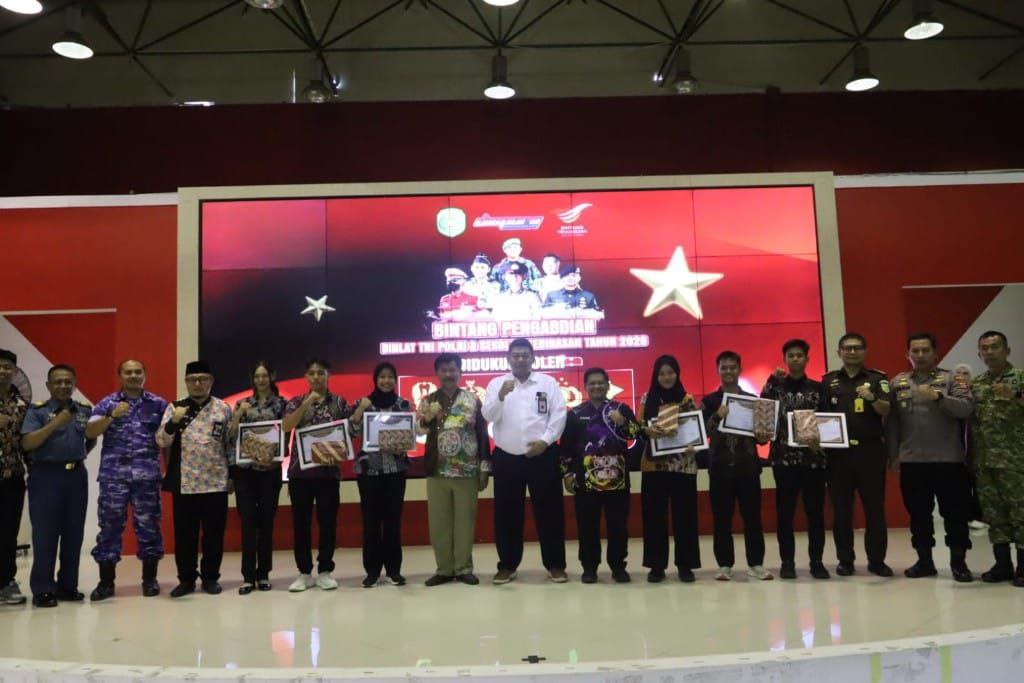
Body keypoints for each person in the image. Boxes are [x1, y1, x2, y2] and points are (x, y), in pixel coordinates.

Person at [888, 332, 975, 582]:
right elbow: (892, 423)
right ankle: (924, 562)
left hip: (949, 460)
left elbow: (966, 408)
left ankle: (958, 563)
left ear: (935, 353)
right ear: (908, 355)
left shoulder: (953, 379)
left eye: (925, 350)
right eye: (915, 351)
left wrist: (939, 397)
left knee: (955, 514)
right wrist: (893, 454)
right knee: (918, 515)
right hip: (912, 461)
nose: (920, 355)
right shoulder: (898, 382)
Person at [482, 338, 567, 584]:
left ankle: (555, 564)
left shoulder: (547, 383)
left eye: (524, 355)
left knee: (550, 512)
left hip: (543, 455)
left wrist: (546, 441)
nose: (520, 359)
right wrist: (500, 396)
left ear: (533, 358)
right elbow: (488, 415)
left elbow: (559, 415)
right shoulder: (496, 383)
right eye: (516, 355)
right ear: (508, 359)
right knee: (507, 514)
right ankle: (507, 565)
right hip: (507, 457)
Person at [86, 360, 169, 601]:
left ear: (145, 374)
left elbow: (166, 440)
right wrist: (112, 415)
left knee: (149, 528)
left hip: (147, 477)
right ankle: (106, 583)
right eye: (128, 372)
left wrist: (169, 471)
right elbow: (90, 432)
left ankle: (150, 580)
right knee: (109, 528)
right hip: (114, 478)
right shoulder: (107, 403)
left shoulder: (159, 404)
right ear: (120, 375)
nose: (133, 376)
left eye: (137, 372)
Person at [20, 364, 96, 607]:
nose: (63, 386)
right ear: (48, 385)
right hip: (46, 476)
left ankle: (67, 586)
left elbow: (90, 439)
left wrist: (75, 455)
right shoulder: (37, 411)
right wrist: (55, 423)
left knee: (74, 533)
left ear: (74, 384)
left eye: (68, 382)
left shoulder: (84, 410)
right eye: (58, 382)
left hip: (76, 476)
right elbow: (27, 443)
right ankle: (43, 589)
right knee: (45, 534)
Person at [156, 360, 232, 598]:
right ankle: (186, 579)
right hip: (185, 482)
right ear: (186, 382)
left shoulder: (222, 408)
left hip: (215, 481)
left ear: (211, 381)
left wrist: (232, 476)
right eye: (192, 380)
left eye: (202, 379)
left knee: (214, 534)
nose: (197, 384)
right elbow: (161, 440)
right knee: (185, 535)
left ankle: (210, 578)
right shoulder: (175, 407)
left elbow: (230, 444)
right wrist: (173, 422)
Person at [560, 367, 643, 583]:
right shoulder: (575, 414)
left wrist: (623, 422)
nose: (596, 386)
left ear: (607, 385)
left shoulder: (621, 408)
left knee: (618, 525)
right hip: (586, 480)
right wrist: (567, 473)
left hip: (617, 478)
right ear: (585, 387)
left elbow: (636, 434)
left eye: (600, 383)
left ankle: (618, 566)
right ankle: (589, 567)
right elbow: (566, 448)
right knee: (587, 526)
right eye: (592, 383)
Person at [822, 334, 894, 577]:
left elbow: (885, 409)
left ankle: (877, 560)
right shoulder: (828, 381)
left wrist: (872, 397)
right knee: (841, 511)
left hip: (870, 452)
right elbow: (821, 415)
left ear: (865, 351)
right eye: (847, 348)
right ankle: (845, 560)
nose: (852, 352)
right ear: (839, 352)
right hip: (838, 455)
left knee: (874, 509)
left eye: (857, 348)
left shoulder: (877, 379)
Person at [417, 353, 490, 586]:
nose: (448, 374)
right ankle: (444, 569)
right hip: (437, 470)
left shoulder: (472, 400)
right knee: (439, 522)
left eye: (453, 369)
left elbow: (482, 434)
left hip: (466, 471)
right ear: (437, 373)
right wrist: (427, 418)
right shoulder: (428, 400)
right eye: (444, 370)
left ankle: (463, 568)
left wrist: (484, 467)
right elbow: (418, 432)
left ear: (460, 372)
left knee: (465, 522)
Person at [760, 339, 830, 580]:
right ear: (785, 359)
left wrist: (822, 440)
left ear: (807, 359)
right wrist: (770, 380)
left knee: (815, 513)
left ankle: (817, 562)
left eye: (800, 355)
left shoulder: (818, 388)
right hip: (783, 460)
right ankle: (787, 562)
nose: (795, 359)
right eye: (791, 355)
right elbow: (763, 413)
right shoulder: (776, 388)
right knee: (785, 514)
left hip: (814, 460)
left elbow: (829, 421)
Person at [701, 351, 772, 581]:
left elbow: (761, 438)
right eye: (724, 367)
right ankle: (724, 565)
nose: (729, 371)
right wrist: (716, 416)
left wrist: (763, 434)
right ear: (718, 370)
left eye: (733, 367)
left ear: (740, 370)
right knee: (722, 519)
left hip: (747, 467)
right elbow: (702, 432)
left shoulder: (752, 400)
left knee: (753, 518)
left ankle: (756, 564)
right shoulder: (709, 401)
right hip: (719, 468)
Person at [282, 359, 350, 592]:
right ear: (306, 377)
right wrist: (307, 404)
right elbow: (286, 426)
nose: (316, 377)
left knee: (328, 523)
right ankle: (304, 572)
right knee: (301, 525)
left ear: (328, 376)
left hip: (328, 473)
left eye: (321, 373)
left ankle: (325, 571)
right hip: (300, 474)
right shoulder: (296, 402)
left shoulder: (339, 402)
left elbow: (349, 430)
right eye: (311, 373)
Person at [349, 362, 413, 588]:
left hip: (396, 470)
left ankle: (394, 571)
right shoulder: (363, 402)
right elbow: (352, 432)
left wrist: (402, 443)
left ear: (395, 380)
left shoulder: (403, 404)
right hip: (369, 471)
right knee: (371, 522)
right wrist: (360, 410)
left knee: (393, 521)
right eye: (382, 377)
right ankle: (372, 572)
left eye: (390, 377)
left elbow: (410, 436)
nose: (386, 381)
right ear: (375, 380)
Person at [639, 355, 701, 583]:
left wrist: (695, 444)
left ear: (677, 374)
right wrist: (647, 431)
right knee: (654, 518)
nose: (667, 377)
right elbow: (639, 427)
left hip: (683, 465)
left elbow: (695, 429)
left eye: (671, 372)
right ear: (656, 376)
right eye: (662, 373)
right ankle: (656, 566)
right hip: (654, 466)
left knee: (685, 517)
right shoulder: (647, 398)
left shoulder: (687, 399)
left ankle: (685, 565)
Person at [968, 331, 1024, 585]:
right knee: (994, 515)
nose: (989, 352)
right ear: (979, 353)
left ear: (1007, 350)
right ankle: (1002, 565)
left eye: (995, 347)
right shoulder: (977, 383)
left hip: (1016, 461)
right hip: (985, 462)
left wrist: (1015, 397)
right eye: (985, 348)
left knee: (1021, 514)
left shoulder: (1020, 378)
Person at [228, 361, 286, 595]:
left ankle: (263, 574)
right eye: (257, 376)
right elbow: (230, 436)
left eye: (264, 375)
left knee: (266, 523)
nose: (261, 380)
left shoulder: (281, 404)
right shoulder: (242, 404)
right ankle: (247, 576)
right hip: (245, 473)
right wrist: (237, 415)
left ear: (272, 376)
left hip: (270, 472)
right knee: (248, 523)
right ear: (252, 379)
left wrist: (276, 458)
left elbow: (286, 434)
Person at [0, 350, 28, 605]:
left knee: (8, 532)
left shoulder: (22, 404)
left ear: (15, 371)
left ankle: (6, 582)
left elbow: (27, 442)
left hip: (13, 476)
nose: (3, 371)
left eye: (7, 366)